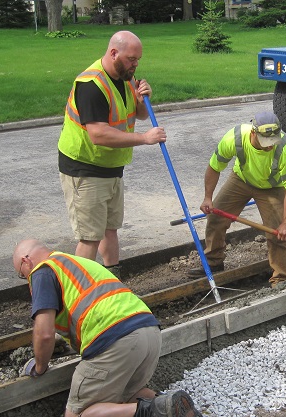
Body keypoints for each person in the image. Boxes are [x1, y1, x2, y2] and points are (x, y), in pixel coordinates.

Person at [12, 239, 202, 417]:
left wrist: (39, 367)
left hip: (115, 339)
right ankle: (174, 408)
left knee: (78, 413)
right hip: (148, 331)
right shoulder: (75, 263)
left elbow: (44, 333)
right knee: (129, 395)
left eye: (22, 275)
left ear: (26, 261)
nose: (26, 278)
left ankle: (157, 409)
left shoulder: (43, 271)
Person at [57, 30, 167, 278]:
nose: (135, 64)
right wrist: (144, 138)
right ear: (114, 53)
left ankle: (113, 280)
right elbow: (99, 134)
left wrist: (142, 99)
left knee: (110, 229)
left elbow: (138, 114)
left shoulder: (126, 76)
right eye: (131, 59)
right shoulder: (91, 85)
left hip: (112, 168)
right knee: (89, 237)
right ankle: (80, 292)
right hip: (85, 168)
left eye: (138, 59)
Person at [187, 111, 286, 287]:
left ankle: (280, 278)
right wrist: (207, 198)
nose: (269, 147)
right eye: (265, 142)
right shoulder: (234, 138)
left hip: (272, 187)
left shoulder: (284, 148)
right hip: (241, 179)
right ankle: (213, 262)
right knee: (216, 217)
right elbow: (214, 167)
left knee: (277, 232)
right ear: (253, 133)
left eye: (272, 142)